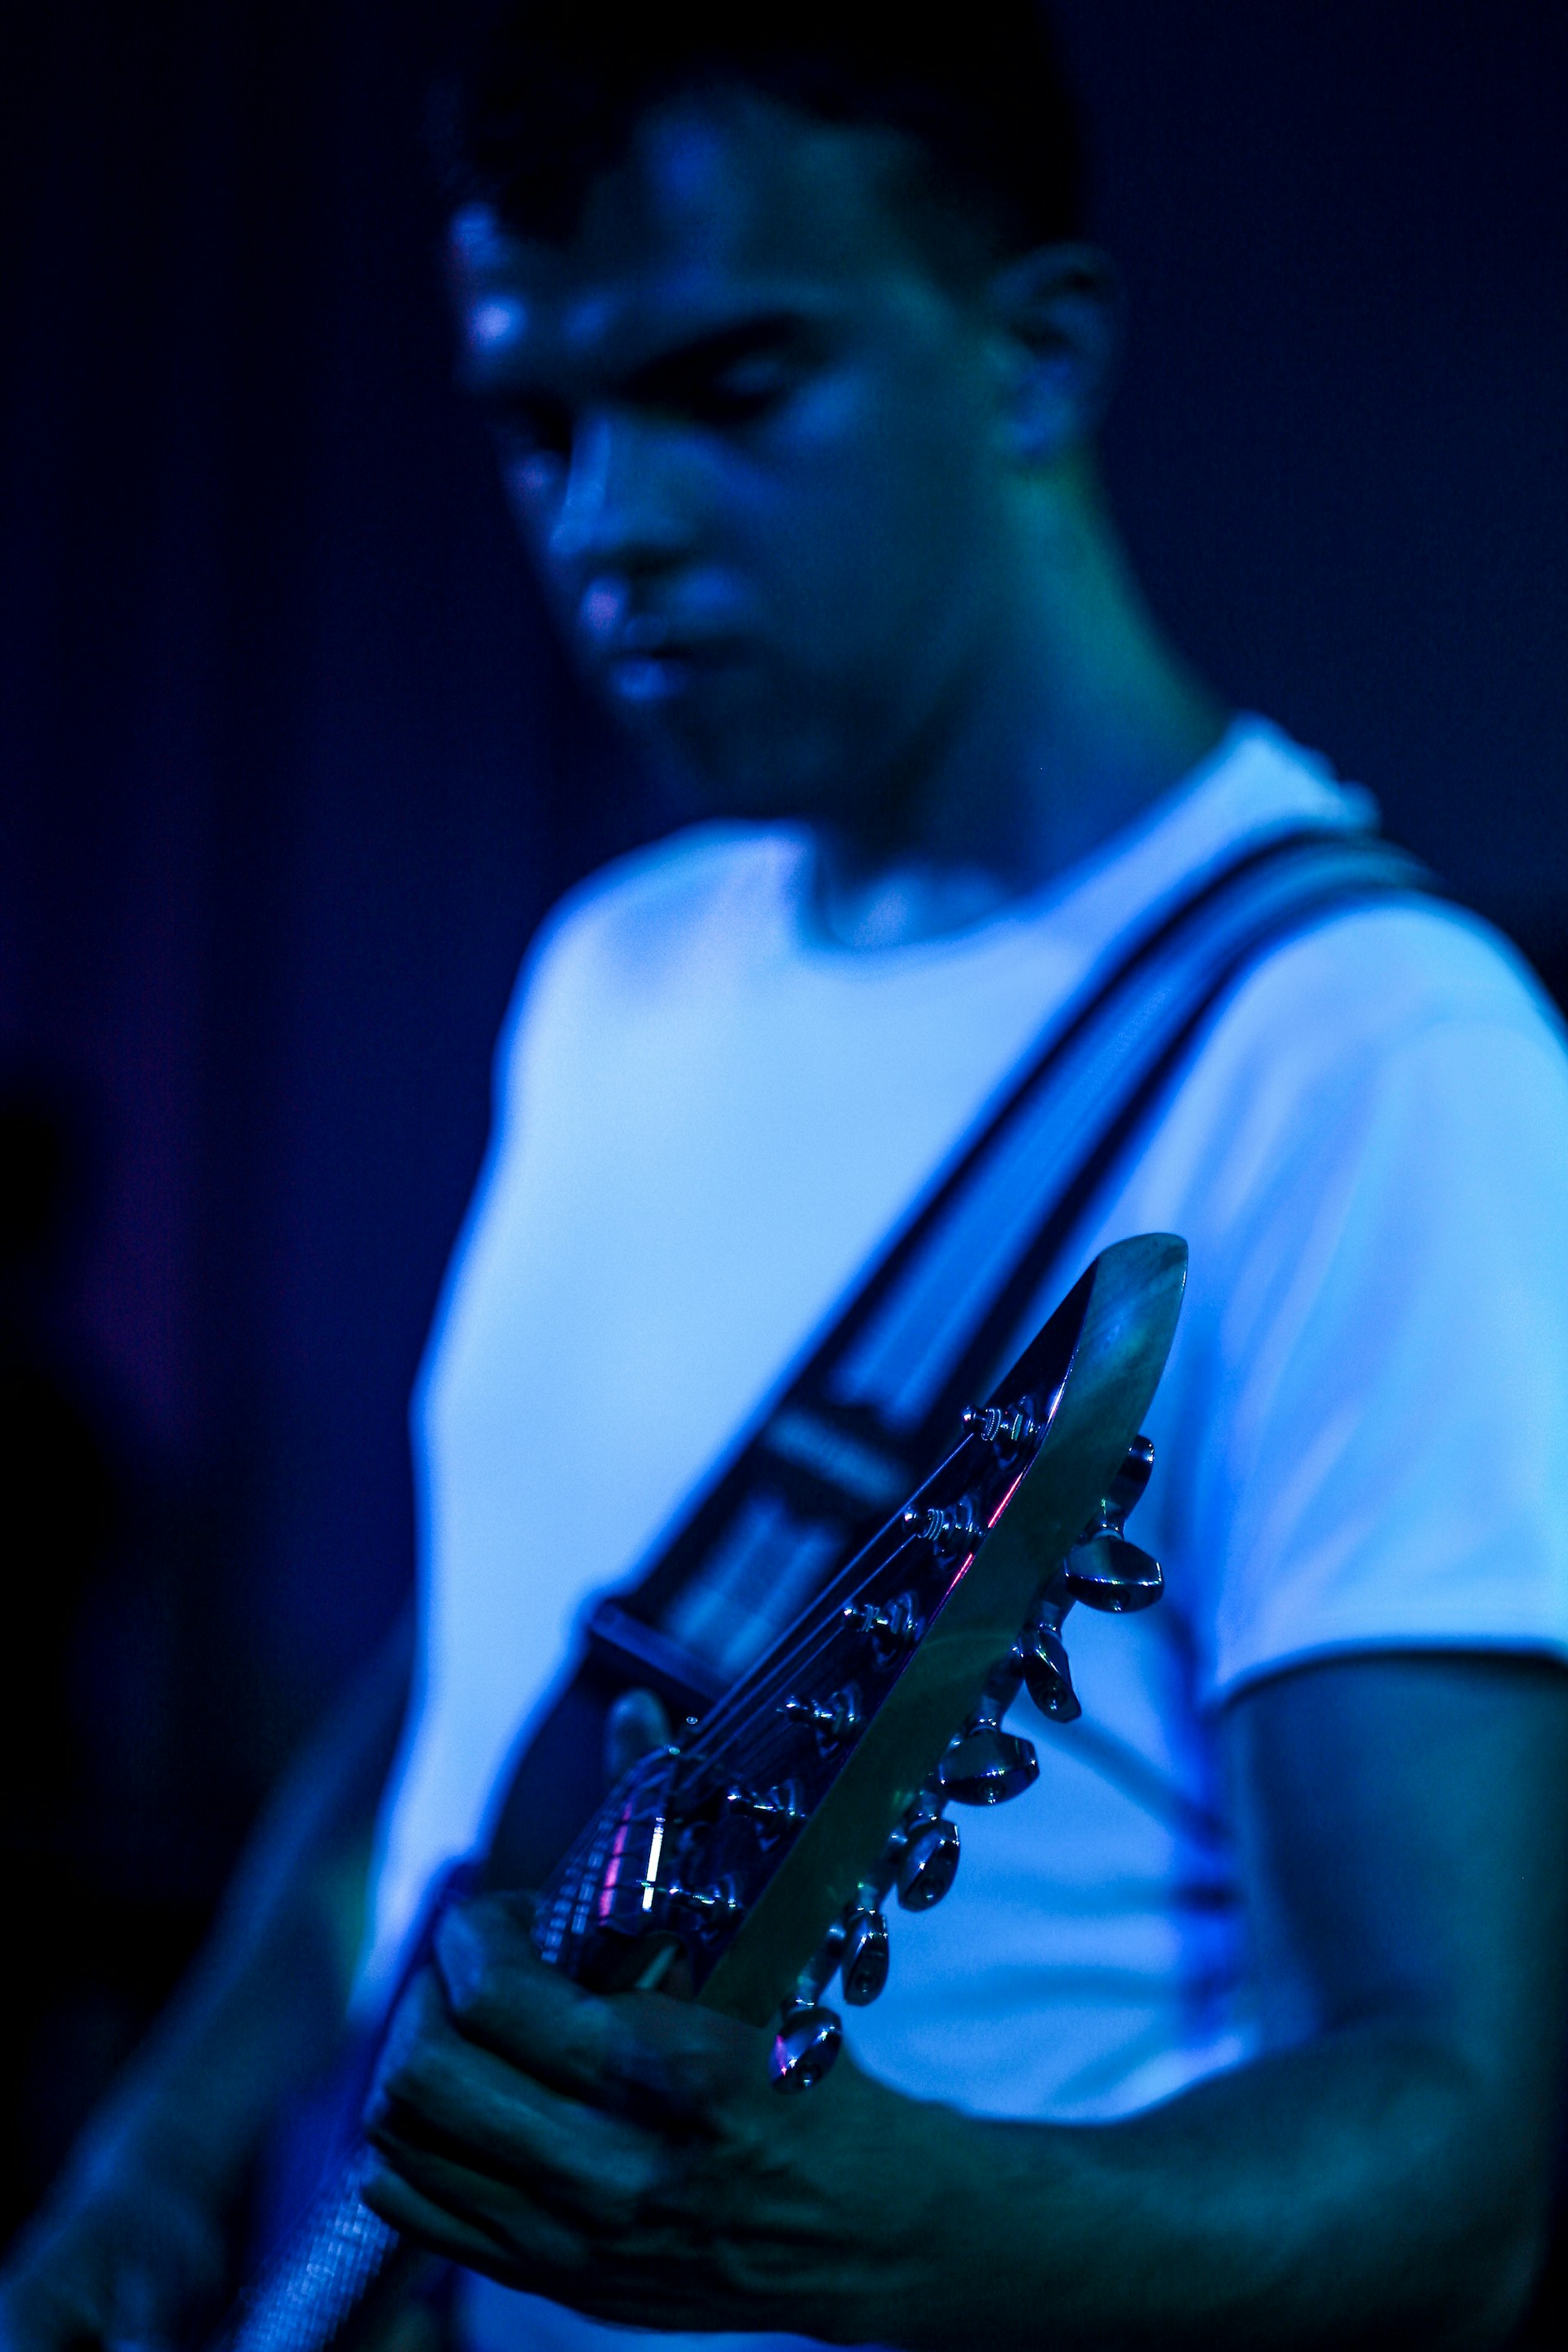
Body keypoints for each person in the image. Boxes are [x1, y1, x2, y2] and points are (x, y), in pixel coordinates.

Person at [5, 4, 1568, 2348]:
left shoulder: (1375, 1056)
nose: (606, 526)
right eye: (539, 424)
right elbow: (486, 1684)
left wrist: (860, 2236)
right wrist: (155, 2161)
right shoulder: (619, 967)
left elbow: (1452, 2160)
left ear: (1036, 356)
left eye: (731, 389)